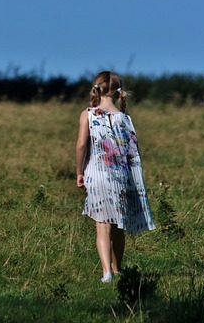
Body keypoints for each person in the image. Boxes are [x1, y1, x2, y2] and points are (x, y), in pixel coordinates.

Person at [76, 71, 155, 283]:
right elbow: (134, 150)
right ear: (119, 92)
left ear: (96, 88)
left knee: (102, 226)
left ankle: (106, 273)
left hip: (97, 174)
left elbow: (82, 145)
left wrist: (79, 172)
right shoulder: (126, 119)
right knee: (118, 226)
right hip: (121, 177)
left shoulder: (88, 114)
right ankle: (117, 269)